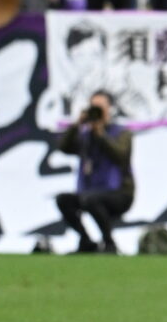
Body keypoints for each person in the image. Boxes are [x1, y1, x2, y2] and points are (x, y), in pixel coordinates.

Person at [52, 90, 134, 255]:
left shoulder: (121, 133)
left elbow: (121, 156)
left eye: (100, 107)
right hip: (90, 191)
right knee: (64, 200)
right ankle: (86, 242)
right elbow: (63, 147)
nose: (96, 111)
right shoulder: (85, 135)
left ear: (110, 108)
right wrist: (77, 125)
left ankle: (109, 243)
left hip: (119, 193)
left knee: (90, 199)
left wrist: (101, 134)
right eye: (93, 107)